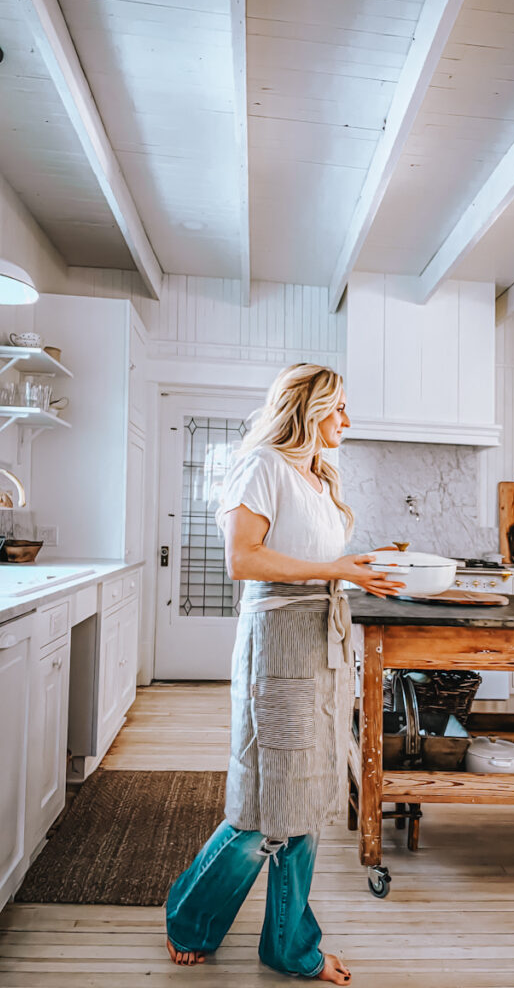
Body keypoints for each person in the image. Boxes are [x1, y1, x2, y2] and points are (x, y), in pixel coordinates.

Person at [165, 364, 403, 984]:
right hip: (278, 649)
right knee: (263, 803)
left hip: (317, 647)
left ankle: (286, 944)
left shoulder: (318, 477)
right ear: (307, 408)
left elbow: (314, 560)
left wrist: (355, 565)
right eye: (339, 408)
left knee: (301, 797)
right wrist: (342, 572)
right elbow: (244, 559)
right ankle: (191, 918)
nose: (347, 421)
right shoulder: (263, 464)